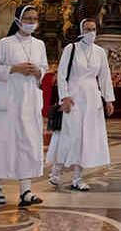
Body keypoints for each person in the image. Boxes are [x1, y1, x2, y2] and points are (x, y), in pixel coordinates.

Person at [0, 5, 47, 207]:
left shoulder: (39, 45)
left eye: (34, 19)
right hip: (7, 98)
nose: (31, 22)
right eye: (28, 18)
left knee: (28, 142)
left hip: (29, 99)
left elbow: (45, 68)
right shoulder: (6, 43)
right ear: (18, 21)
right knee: (0, 142)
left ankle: (26, 190)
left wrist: (38, 72)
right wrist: (14, 68)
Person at [47, 18, 115, 192]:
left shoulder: (100, 52)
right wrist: (65, 97)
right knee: (69, 135)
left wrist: (108, 99)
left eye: (93, 29)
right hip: (74, 96)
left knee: (85, 137)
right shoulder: (71, 49)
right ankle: (55, 173)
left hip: (92, 98)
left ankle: (78, 177)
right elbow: (62, 75)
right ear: (81, 30)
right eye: (87, 29)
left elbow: (104, 76)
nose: (90, 32)